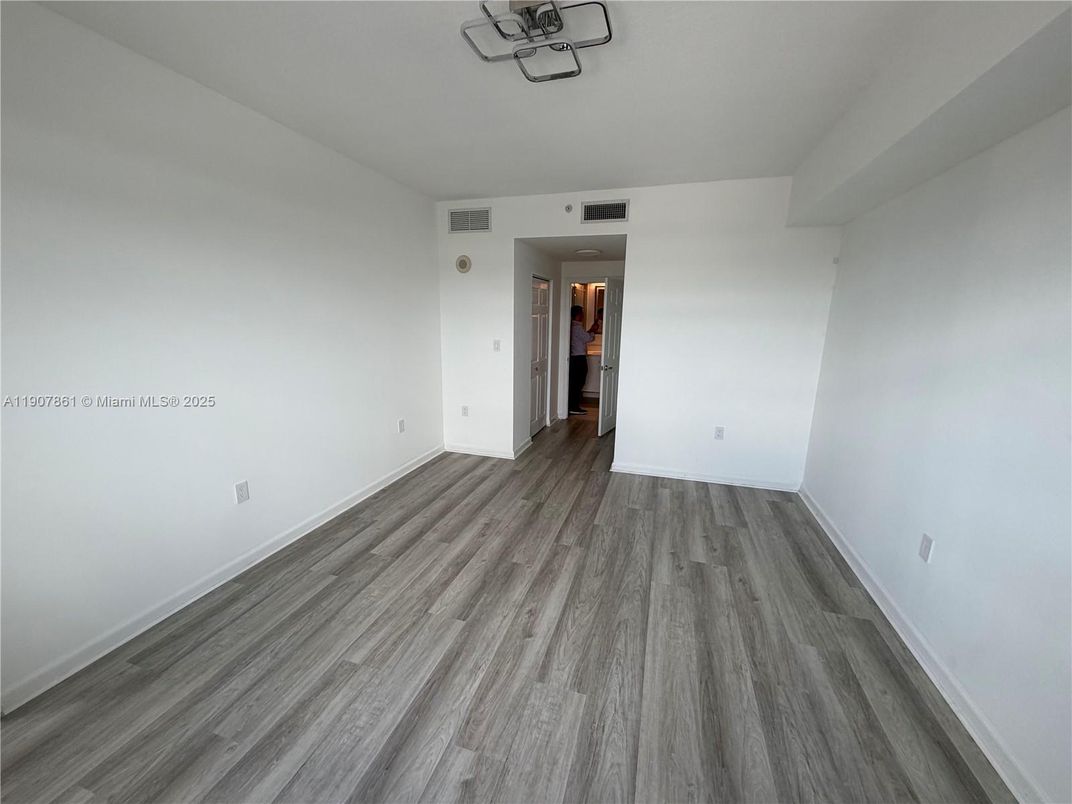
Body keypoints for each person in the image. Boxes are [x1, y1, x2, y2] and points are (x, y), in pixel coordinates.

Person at [569, 305, 594, 415]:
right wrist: (592, 331)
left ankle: (573, 406)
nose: (583, 315)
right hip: (579, 358)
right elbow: (589, 338)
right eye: (582, 313)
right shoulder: (577, 328)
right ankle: (574, 407)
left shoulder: (572, 326)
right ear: (578, 315)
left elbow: (583, 337)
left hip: (574, 358)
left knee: (575, 382)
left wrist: (589, 331)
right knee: (578, 382)